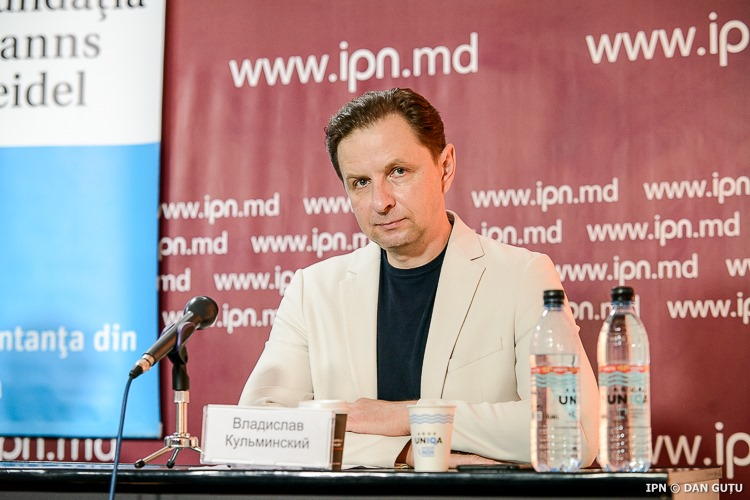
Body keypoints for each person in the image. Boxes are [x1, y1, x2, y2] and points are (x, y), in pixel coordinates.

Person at [239, 88, 599, 469]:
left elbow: (572, 433)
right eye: (360, 182)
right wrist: (406, 452)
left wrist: (404, 417)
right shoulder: (312, 291)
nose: (381, 201)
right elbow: (256, 434)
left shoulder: (522, 276)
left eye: (398, 172)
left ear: (445, 167)